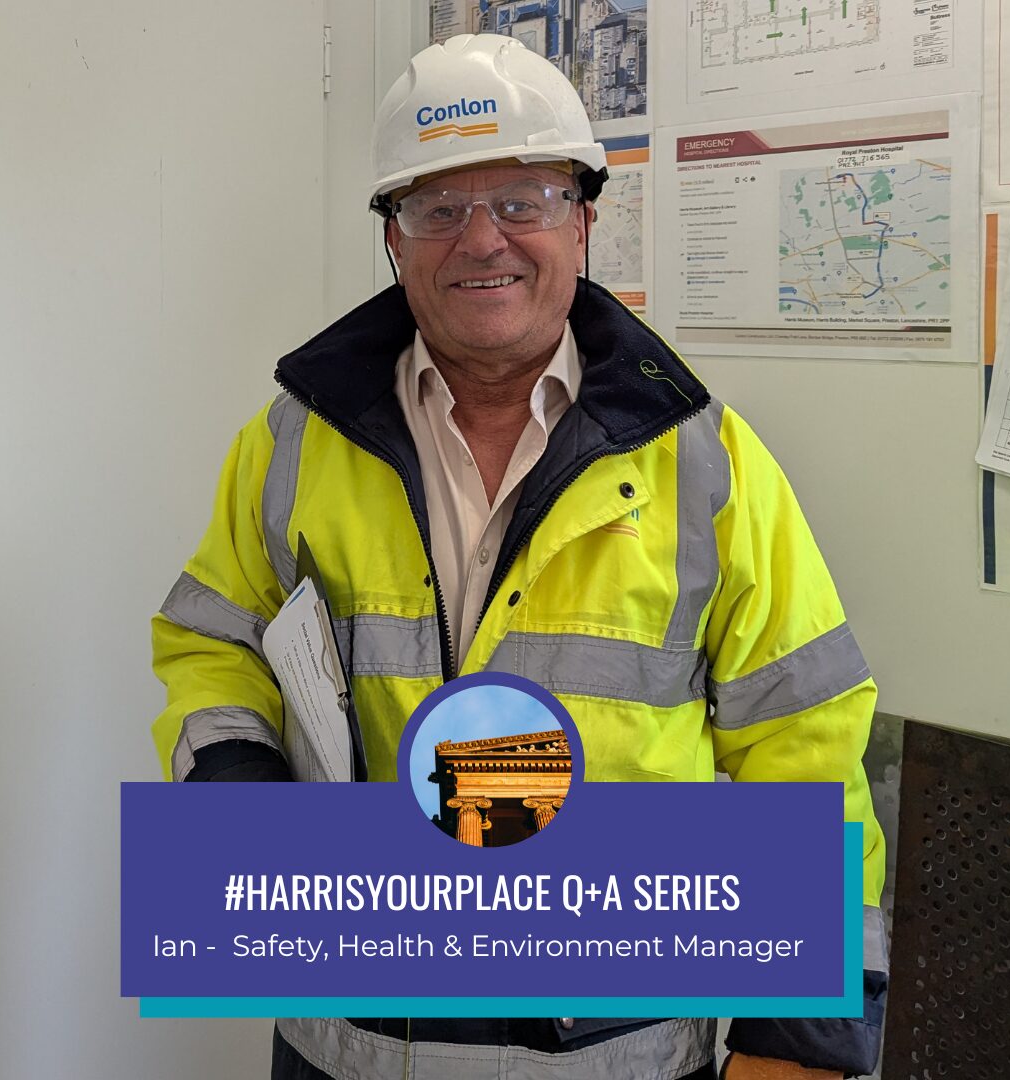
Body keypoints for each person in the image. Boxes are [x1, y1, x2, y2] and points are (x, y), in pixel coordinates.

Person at [152, 33, 887, 1080]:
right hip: (350, 1044)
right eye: (437, 208)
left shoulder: (709, 466)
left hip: (613, 1052)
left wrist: (803, 1039)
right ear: (395, 240)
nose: (480, 239)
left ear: (585, 221)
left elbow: (804, 743)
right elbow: (208, 642)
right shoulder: (291, 445)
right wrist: (235, 785)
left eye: (524, 199)